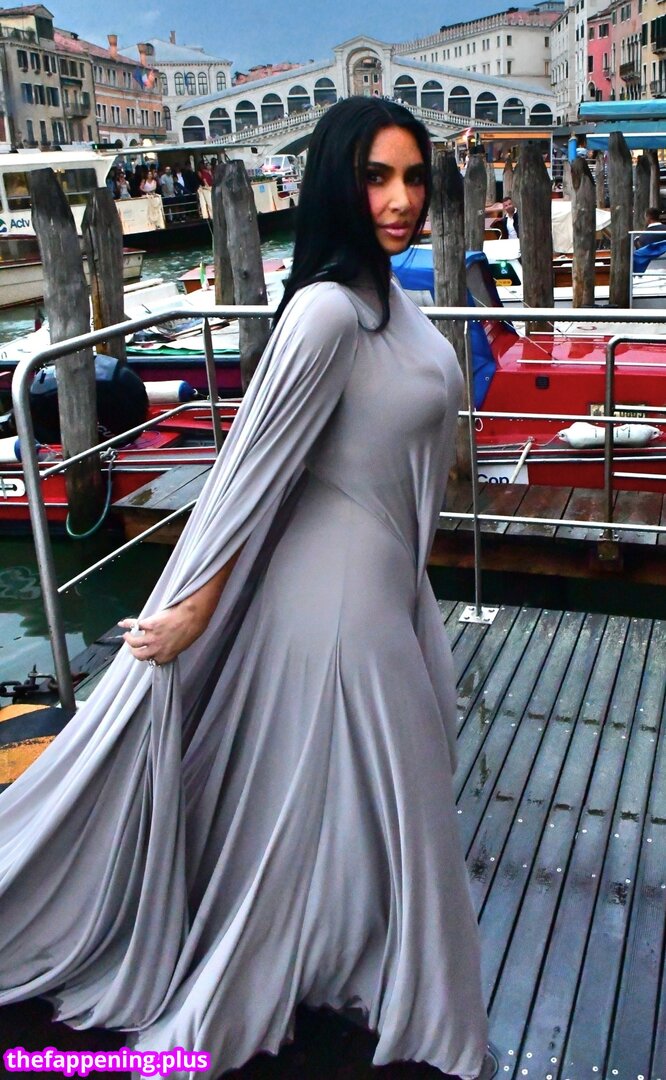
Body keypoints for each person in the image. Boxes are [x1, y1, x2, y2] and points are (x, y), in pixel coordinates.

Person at [0, 97, 495, 1080]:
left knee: (349, 797)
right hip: (339, 603)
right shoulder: (326, 313)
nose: (401, 199)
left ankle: (336, 953)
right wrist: (193, 607)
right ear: (337, 186)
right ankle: (360, 974)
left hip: (383, 586)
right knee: (375, 796)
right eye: (376, 177)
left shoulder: (389, 304)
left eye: (412, 177)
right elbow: (251, 471)